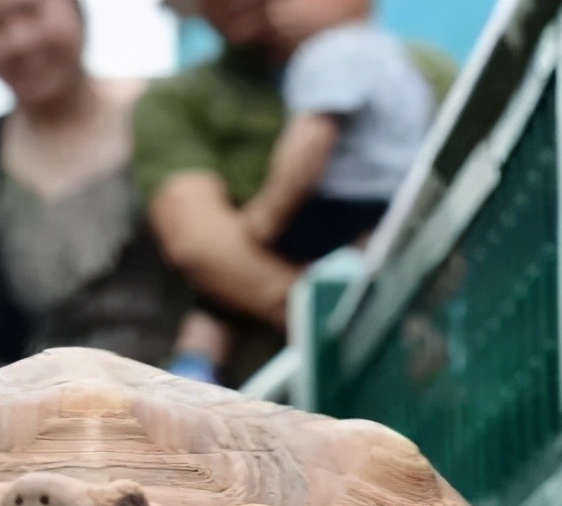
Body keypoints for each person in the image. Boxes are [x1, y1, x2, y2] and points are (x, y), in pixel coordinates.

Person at [137, 0, 449, 385]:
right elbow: (201, 245)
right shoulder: (180, 101)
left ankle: (197, 358)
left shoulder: (369, 61)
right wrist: (361, 327)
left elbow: (308, 148)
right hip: (267, 385)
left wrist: (264, 219)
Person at [0, 0, 187, 374]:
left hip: (200, 387)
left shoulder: (166, 111)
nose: (20, 40)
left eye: (31, 12)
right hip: (49, 407)